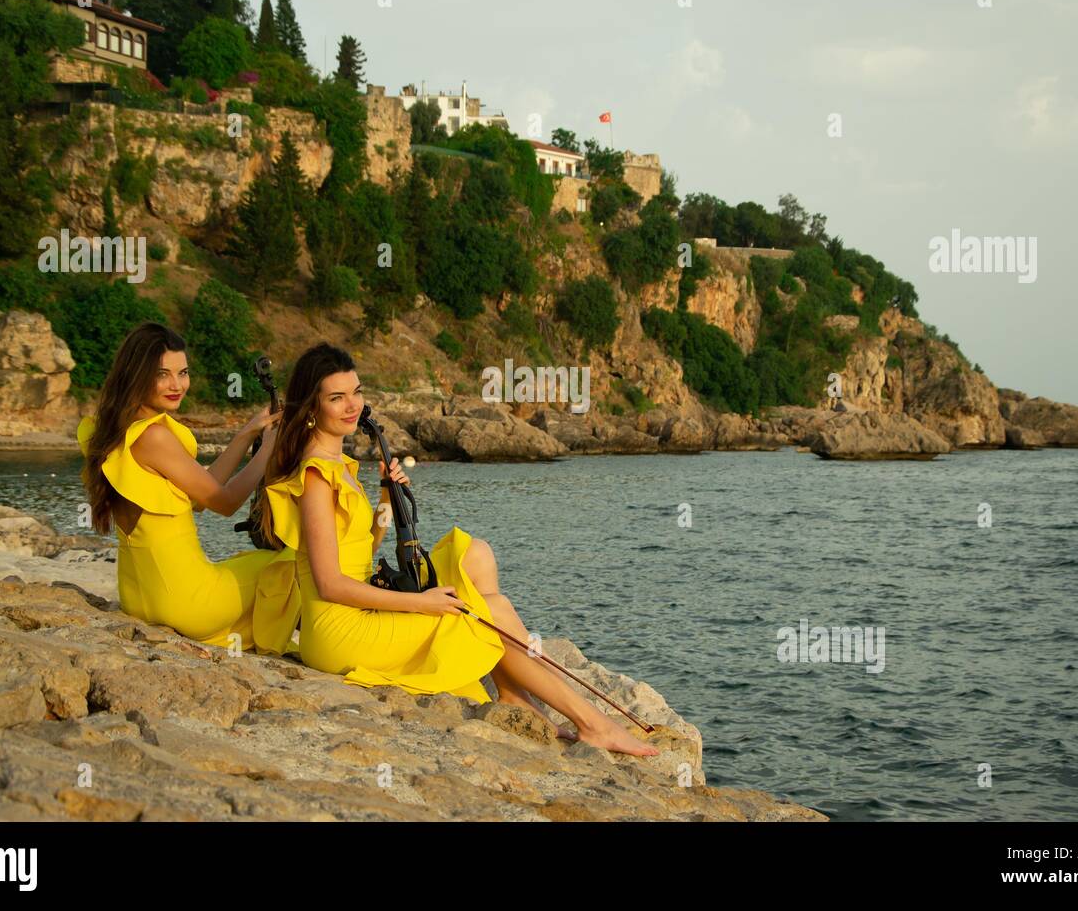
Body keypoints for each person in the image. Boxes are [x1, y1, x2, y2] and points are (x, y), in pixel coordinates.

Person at [253, 342, 658, 756]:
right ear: (311, 407)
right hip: (339, 630)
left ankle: (513, 693)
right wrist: (423, 604)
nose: (352, 405)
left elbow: (362, 546)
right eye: (336, 398)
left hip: (360, 607)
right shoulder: (317, 475)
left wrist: (386, 500)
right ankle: (593, 724)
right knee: (492, 610)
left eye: (356, 392)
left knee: (474, 554)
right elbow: (330, 583)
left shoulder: (341, 464)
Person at [78, 322, 280, 649]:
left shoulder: (115, 430)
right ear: (137, 374)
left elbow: (202, 496)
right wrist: (270, 450)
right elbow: (225, 503)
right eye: (162, 374)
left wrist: (248, 433)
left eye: (183, 373)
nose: (177, 385)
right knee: (285, 564)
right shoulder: (154, 436)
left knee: (243, 562)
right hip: (187, 604)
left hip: (140, 600)